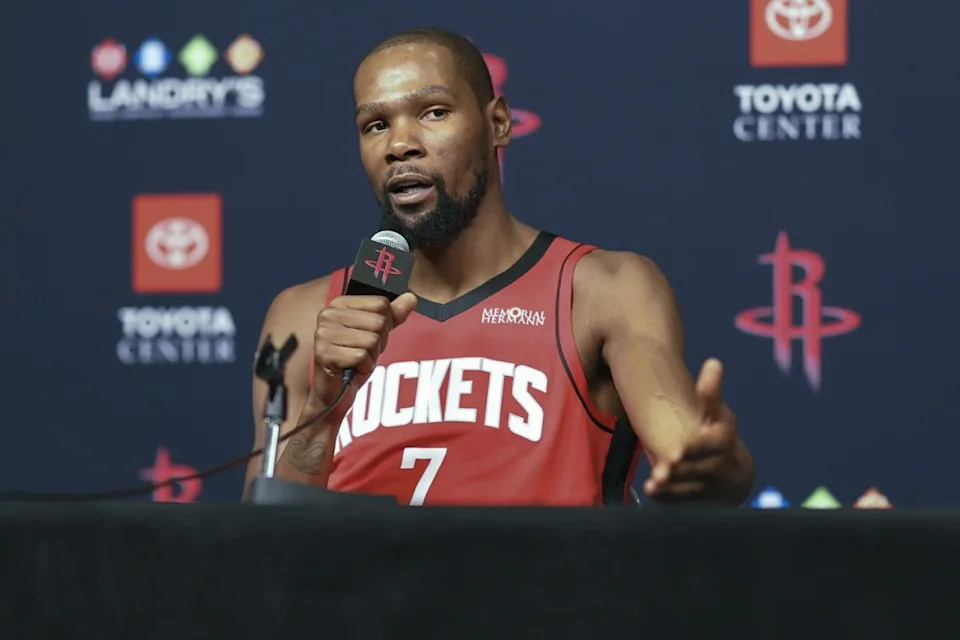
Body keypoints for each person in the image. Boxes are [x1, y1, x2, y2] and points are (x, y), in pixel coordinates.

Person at [245, 27, 755, 506]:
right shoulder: (306, 315)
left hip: (552, 597)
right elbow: (261, 539)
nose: (399, 144)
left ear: (498, 123)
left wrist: (717, 462)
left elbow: (687, 448)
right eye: (376, 125)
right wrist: (321, 410)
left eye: (434, 112)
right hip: (360, 599)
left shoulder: (603, 290)